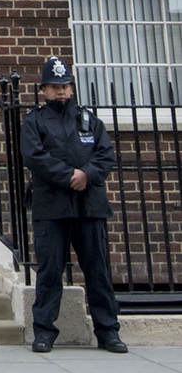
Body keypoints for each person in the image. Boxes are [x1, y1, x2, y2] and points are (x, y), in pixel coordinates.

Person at [20, 55, 127, 355]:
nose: (62, 92)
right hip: (51, 207)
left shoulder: (89, 120)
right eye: (55, 87)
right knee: (50, 271)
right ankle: (43, 332)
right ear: (43, 90)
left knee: (98, 271)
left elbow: (105, 155)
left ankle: (108, 332)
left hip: (89, 206)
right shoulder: (34, 121)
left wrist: (87, 175)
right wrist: (70, 176)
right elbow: (34, 157)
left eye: (66, 85)